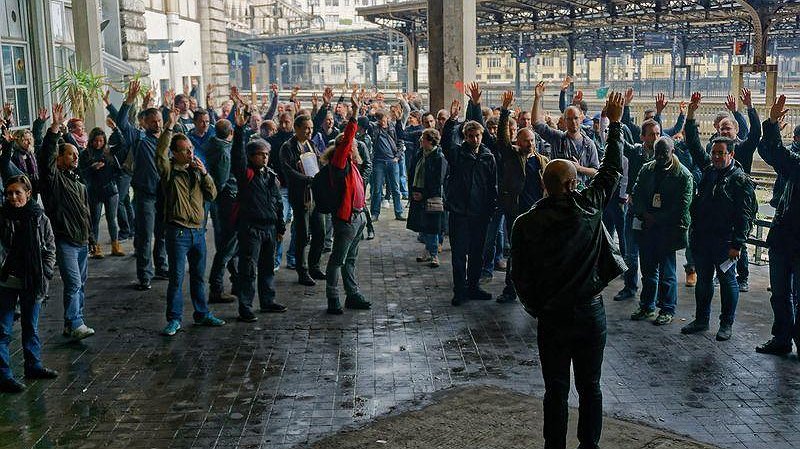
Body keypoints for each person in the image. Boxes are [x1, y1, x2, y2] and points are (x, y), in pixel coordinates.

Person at [511, 91, 627, 449]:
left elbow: (520, 277)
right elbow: (611, 170)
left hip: (552, 316)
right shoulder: (588, 208)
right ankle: (589, 445)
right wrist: (615, 125)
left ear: (543, 184)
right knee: (590, 386)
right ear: (572, 184)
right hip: (590, 313)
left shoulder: (525, 224)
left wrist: (538, 307)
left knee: (556, 390)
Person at [680, 92, 756, 341]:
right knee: (703, 282)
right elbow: (693, 144)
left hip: (726, 242)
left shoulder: (740, 180)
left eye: (721, 153)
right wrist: (691, 114)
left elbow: (744, 215)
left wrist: (737, 244)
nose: (716, 157)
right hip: (703, 239)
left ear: (730, 154)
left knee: (727, 282)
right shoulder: (709, 170)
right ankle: (701, 320)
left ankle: (726, 324)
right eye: (714, 152)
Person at [157, 108, 225, 336]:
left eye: (191, 149)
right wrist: (169, 127)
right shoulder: (169, 172)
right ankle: (174, 319)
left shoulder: (196, 171)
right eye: (185, 150)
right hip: (178, 232)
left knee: (198, 276)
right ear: (175, 153)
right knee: (176, 278)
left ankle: (202, 313)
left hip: (198, 232)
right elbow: (160, 154)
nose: (190, 153)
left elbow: (212, 194)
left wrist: (204, 173)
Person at [39, 104, 94, 340]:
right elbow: (46, 160)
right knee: (73, 283)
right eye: (70, 154)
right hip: (65, 240)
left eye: (76, 154)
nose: (75, 157)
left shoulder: (78, 184)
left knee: (80, 284)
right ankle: (76, 322)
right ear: (59, 158)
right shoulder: (54, 180)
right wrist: (54, 127)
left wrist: (91, 238)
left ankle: (70, 324)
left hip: (81, 241)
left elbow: (86, 213)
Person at [0, 174, 58, 393]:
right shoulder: (2, 217)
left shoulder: (39, 217)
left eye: (18, 193)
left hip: (32, 281)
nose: (13, 197)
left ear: (28, 193)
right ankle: (4, 375)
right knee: (3, 330)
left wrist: (46, 272)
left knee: (30, 327)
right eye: (9, 193)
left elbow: (49, 246)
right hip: (6, 282)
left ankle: (33, 365)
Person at [229, 104, 287, 321]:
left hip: (269, 228)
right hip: (251, 228)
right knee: (248, 269)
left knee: (267, 267)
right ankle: (245, 306)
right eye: (261, 155)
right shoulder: (246, 175)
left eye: (266, 155)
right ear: (252, 156)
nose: (265, 158)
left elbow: (277, 203)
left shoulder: (270, 176)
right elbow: (237, 157)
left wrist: (280, 226)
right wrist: (239, 130)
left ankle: (268, 300)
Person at [628, 135, 693, 326]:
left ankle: (667, 309)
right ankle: (647, 306)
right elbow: (637, 193)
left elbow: (682, 207)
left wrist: (656, 218)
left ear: (672, 151)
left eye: (664, 153)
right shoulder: (646, 169)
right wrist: (643, 214)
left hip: (668, 231)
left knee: (667, 273)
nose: (660, 157)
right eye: (657, 153)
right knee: (648, 271)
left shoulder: (683, 176)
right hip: (647, 228)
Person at [755, 94, 800, 356]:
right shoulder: (794, 164)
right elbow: (773, 153)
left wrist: (772, 125)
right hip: (783, 238)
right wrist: (771, 124)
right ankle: (782, 338)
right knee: (780, 294)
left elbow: (779, 156)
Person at [441, 99, 498, 306]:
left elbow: (492, 185)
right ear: (465, 137)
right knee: (458, 254)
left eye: (478, 136)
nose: (475, 139)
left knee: (477, 252)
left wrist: (490, 209)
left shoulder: (488, 157)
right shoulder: (457, 153)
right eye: (471, 136)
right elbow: (445, 143)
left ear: (482, 136)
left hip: (480, 213)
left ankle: (473, 287)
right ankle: (460, 290)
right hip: (460, 212)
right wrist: (451, 120)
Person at [495, 90, 549, 303]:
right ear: (518, 141)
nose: (530, 144)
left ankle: (535, 290)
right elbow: (502, 139)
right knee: (516, 253)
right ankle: (510, 289)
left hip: (537, 214)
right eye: (526, 141)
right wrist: (505, 112)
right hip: (516, 213)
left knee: (537, 253)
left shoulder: (543, 161)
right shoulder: (512, 155)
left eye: (532, 140)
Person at [322, 90, 372, 314]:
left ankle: (352, 294)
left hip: (358, 218)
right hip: (347, 220)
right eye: (350, 144)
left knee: (350, 259)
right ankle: (333, 298)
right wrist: (355, 111)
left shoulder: (352, 166)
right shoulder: (339, 164)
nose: (353, 146)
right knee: (337, 260)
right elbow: (349, 136)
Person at [117, 80, 169, 291]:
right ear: (145, 123)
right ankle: (145, 275)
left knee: (162, 234)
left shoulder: (168, 139)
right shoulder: (138, 137)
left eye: (159, 120)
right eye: (153, 121)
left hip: (164, 195)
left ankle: (162, 267)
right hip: (145, 195)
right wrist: (129, 101)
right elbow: (122, 122)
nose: (157, 124)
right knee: (145, 236)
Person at [280, 114, 326, 286]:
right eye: (306, 128)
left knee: (320, 233)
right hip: (300, 196)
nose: (309, 131)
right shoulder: (288, 147)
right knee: (302, 235)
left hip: (315, 195)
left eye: (311, 128)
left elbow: (319, 162)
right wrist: (306, 179)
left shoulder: (311, 144)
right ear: (296, 128)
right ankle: (303, 270)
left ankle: (315, 266)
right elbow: (288, 170)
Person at [79, 125, 125, 259]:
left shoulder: (108, 152)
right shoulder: (85, 154)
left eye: (101, 141)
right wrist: (92, 168)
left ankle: (115, 245)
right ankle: (95, 247)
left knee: (112, 219)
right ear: (91, 141)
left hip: (110, 189)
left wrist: (115, 129)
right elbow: (81, 173)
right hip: (94, 190)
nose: (98, 144)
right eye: (96, 141)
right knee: (95, 219)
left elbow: (122, 144)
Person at [407, 128, 447, 268]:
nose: (420, 140)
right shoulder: (420, 154)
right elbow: (412, 172)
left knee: (432, 227)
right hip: (418, 193)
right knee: (423, 226)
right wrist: (413, 192)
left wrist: (424, 194)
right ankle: (427, 250)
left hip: (431, 197)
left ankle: (434, 254)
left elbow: (438, 180)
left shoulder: (439, 157)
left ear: (430, 141)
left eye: (423, 138)